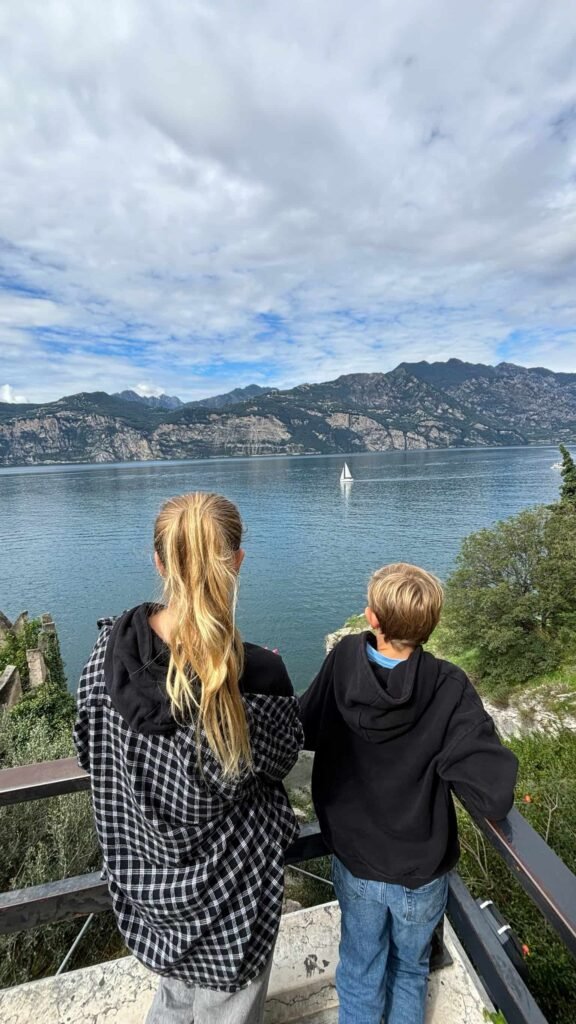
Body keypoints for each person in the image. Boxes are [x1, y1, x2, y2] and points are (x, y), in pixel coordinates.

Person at [73, 492, 303, 1024]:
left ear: (159, 561)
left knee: (173, 1000)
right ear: (238, 561)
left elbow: (90, 750)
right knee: (228, 1010)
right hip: (233, 900)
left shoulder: (104, 660)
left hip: (148, 884)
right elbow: (283, 757)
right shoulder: (260, 678)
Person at [299, 562, 518, 1024]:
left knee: (360, 966)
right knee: (411, 969)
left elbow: (304, 726)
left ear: (372, 619)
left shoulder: (343, 662)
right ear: (430, 627)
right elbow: (492, 794)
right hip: (420, 867)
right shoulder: (448, 685)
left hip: (356, 856)